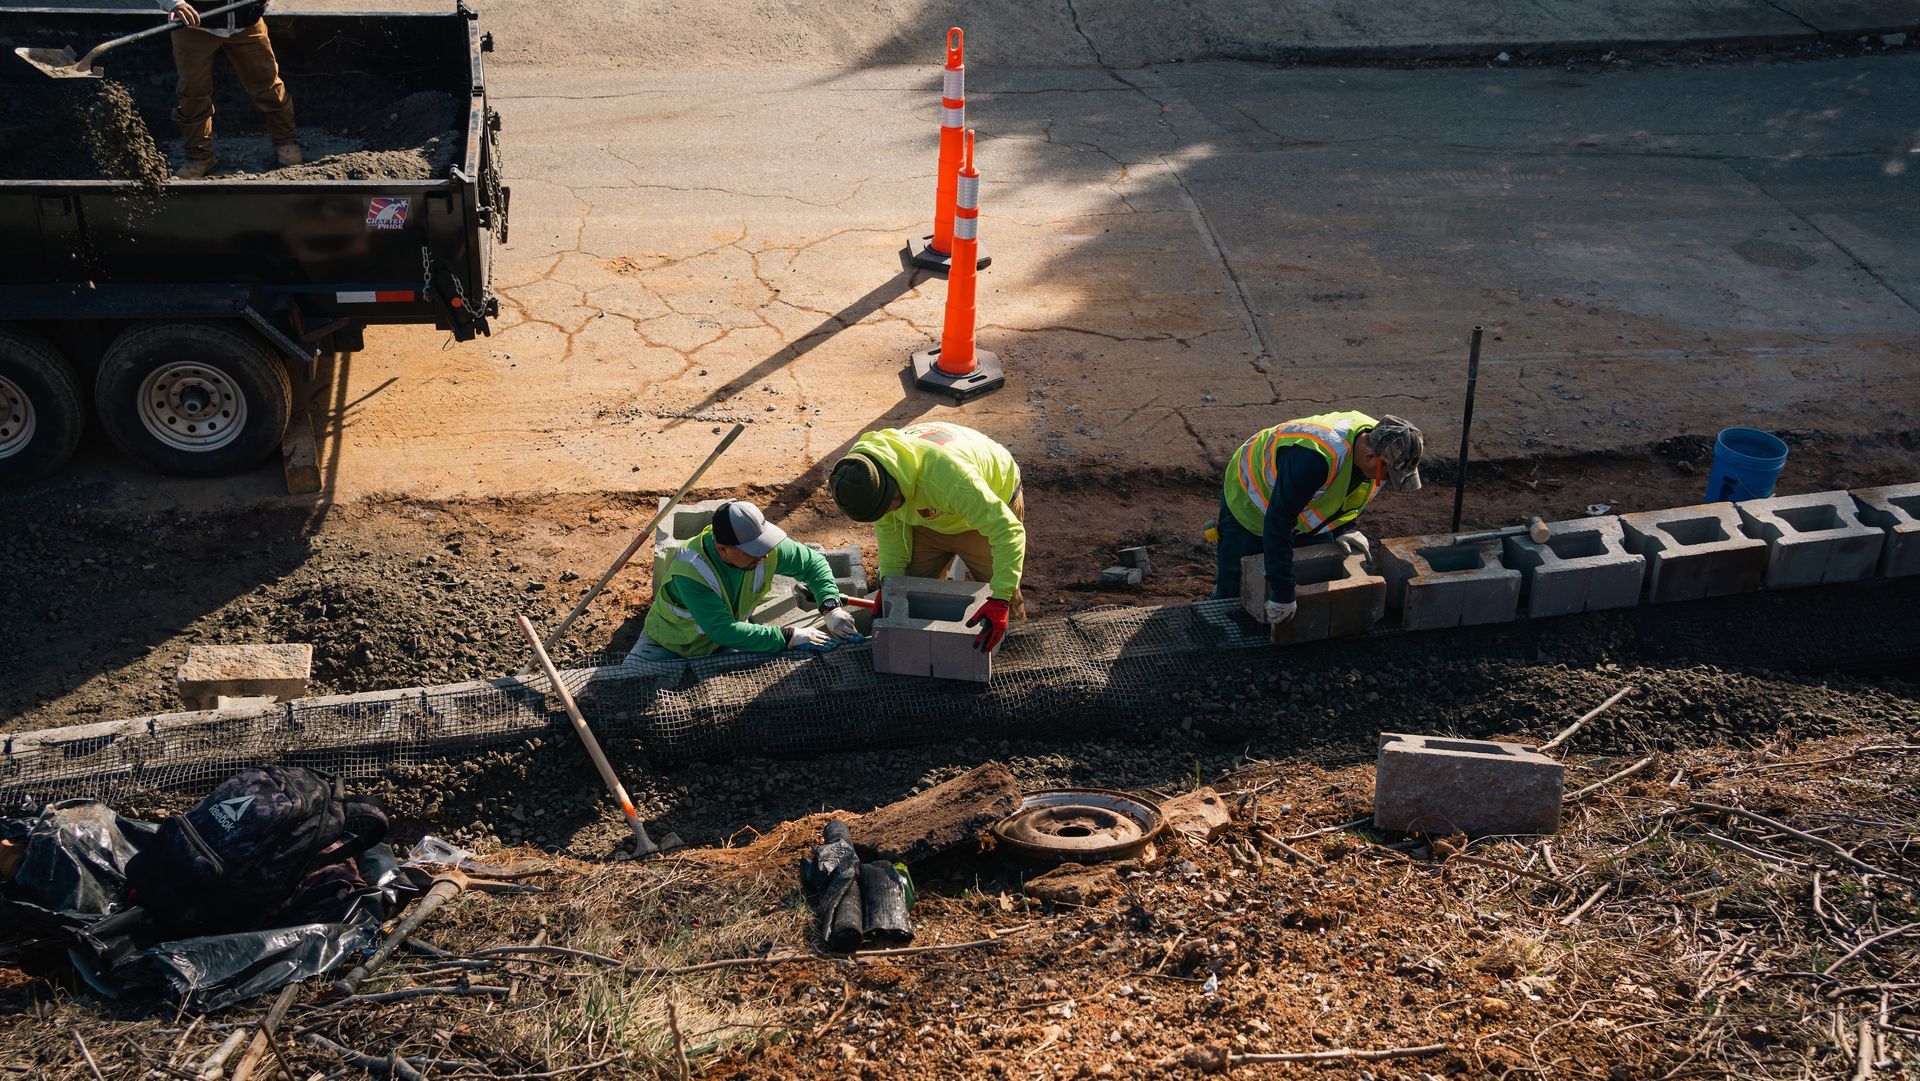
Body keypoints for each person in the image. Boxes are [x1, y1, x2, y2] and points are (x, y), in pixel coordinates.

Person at [827, 422, 1024, 653]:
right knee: (911, 591)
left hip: (982, 514)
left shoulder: (950, 477)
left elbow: (1008, 531)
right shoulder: (865, 473)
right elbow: (890, 528)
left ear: (894, 487)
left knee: (1004, 598)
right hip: (928, 512)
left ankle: (1017, 653)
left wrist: (1000, 598)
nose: (888, 513)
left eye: (888, 507)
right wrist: (890, 581)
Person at [1214, 412, 1424, 625]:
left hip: (1298, 505)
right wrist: (1284, 593)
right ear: (1370, 457)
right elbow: (1278, 522)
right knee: (1235, 576)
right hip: (1250, 499)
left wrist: (1344, 528)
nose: (1387, 481)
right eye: (1388, 475)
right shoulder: (1316, 458)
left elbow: (1349, 487)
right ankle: (1218, 626)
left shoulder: (1381, 439)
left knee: (1311, 567)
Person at [628, 500, 861, 662]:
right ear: (722, 549)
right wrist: (787, 636)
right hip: (667, 647)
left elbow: (813, 564)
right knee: (624, 693)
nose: (764, 555)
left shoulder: (766, 550)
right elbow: (723, 629)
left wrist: (831, 608)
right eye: (752, 551)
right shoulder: (691, 570)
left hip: (722, 647)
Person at [165, 0, 302, 179]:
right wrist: (174, 3)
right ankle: (199, 156)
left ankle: (286, 141)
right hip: (193, 27)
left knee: (267, 83)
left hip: (246, 23)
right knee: (193, 92)